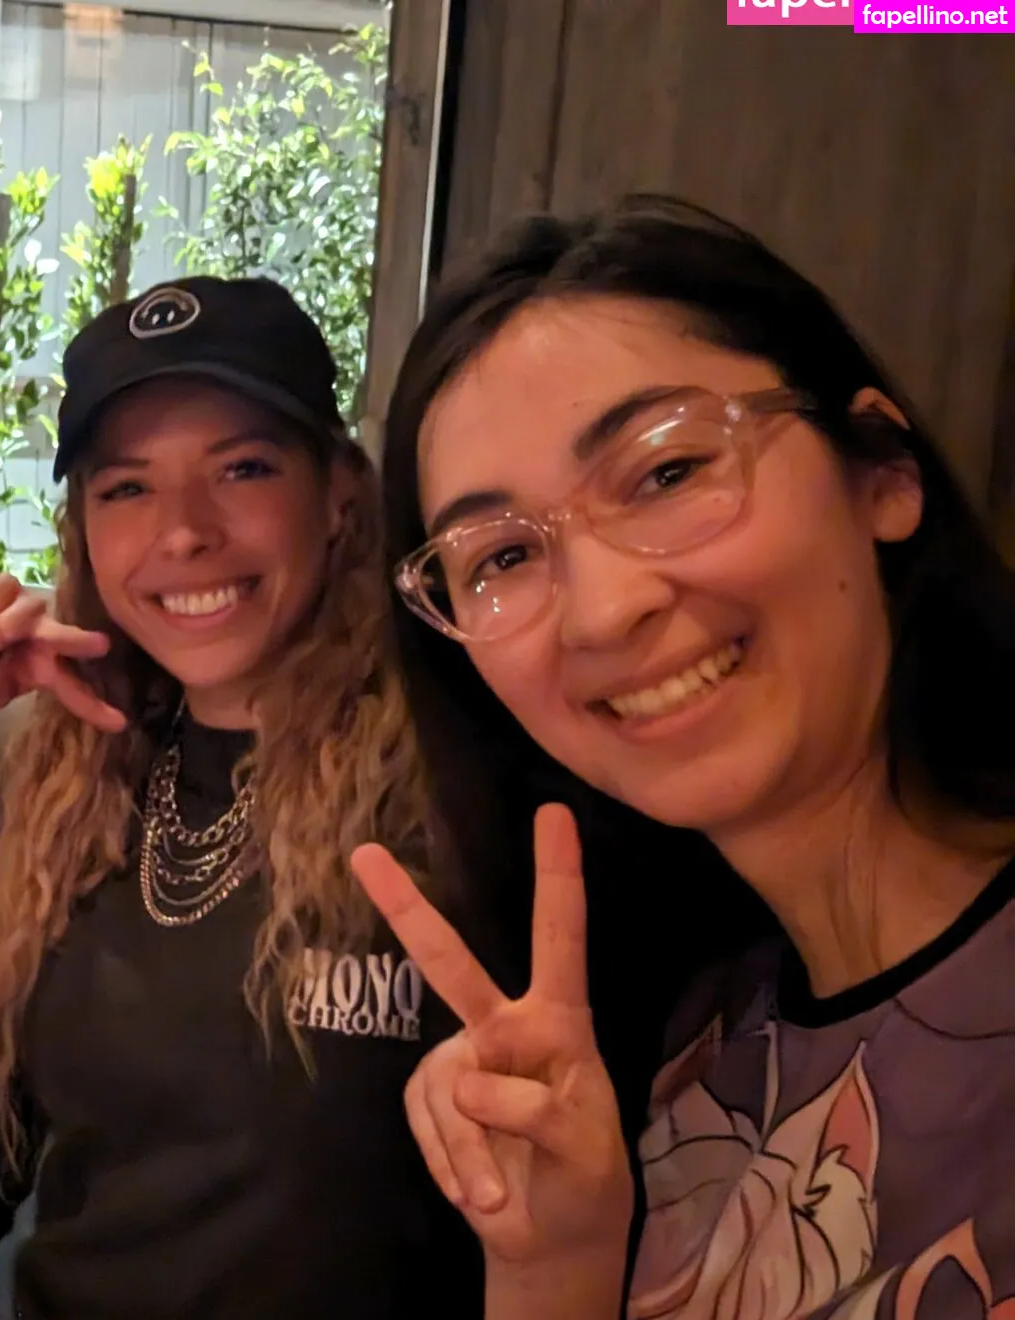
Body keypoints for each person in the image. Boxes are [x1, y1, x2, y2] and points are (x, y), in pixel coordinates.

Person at [353, 194, 1015, 1318]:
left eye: (665, 471)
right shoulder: (687, 1045)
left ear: (882, 472)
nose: (603, 610)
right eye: (501, 556)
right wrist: (553, 1262)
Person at [0, 275, 484, 1319]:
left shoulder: (458, 770)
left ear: (339, 494)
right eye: (126, 489)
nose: (183, 533)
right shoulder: (57, 758)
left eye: (243, 469)